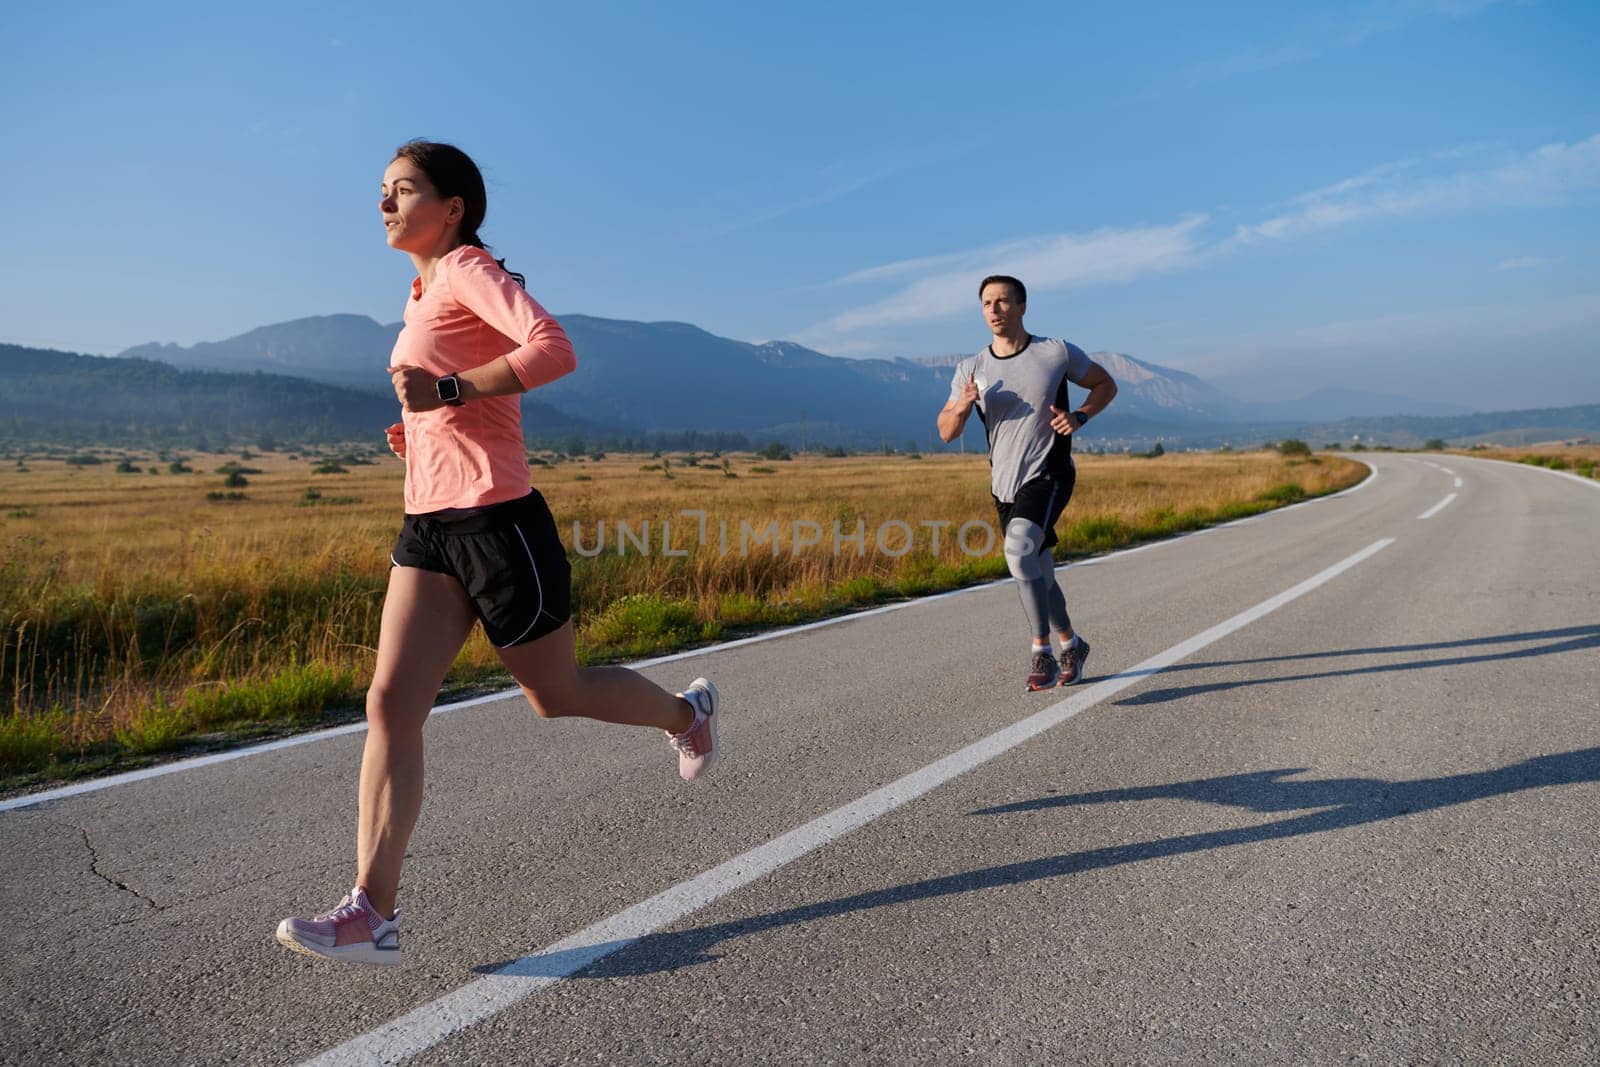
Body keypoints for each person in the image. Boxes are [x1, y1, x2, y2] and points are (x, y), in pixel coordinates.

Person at [276, 141, 719, 967]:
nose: (383, 204)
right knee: (389, 705)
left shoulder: (468, 266)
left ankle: (687, 715)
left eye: (402, 190)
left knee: (557, 693)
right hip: (430, 525)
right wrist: (421, 434)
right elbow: (458, 394)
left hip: (496, 522)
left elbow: (554, 347)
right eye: (380, 191)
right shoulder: (420, 291)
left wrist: (448, 391)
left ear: (453, 209)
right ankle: (374, 912)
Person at [937, 274, 1118, 691]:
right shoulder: (971, 368)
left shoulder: (1054, 353)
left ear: (1021, 306)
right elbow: (946, 430)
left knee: (1018, 552)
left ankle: (1043, 654)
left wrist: (1081, 416)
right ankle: (1072, 642)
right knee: (1039, 569)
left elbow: (1106, 383)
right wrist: (963, 405)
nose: (994, 310)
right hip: (1003, 483)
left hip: (1049, 472)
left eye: (1002, 302)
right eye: (986, 303)